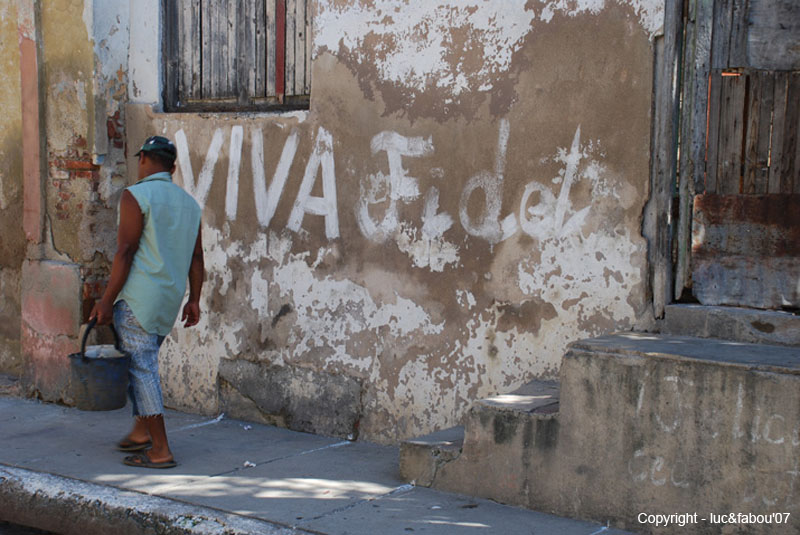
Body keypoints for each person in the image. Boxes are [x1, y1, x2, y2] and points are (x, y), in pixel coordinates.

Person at [89, 135, 203, 469]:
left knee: (141, 369)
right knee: (142, 361)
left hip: (138, 299)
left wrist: (106, 300)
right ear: (173, 166)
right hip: (168, 300)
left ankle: (161, 449)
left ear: (143, 160)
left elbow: (125, 251)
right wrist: (194, 300)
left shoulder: (135, 196)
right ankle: (141, 431)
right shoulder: (189, 204)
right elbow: (197, 258)